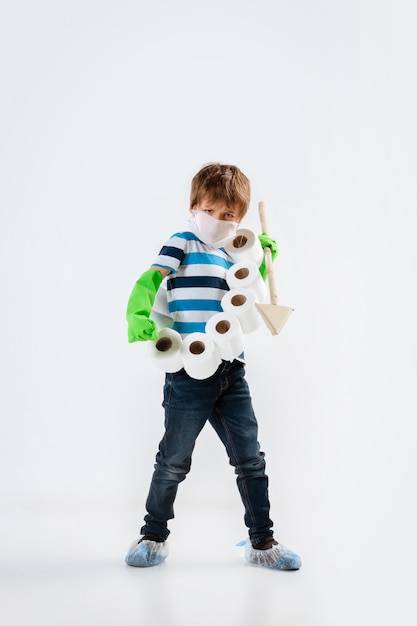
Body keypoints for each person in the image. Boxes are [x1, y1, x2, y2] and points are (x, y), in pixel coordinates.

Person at [124, 163, 301, 571]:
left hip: (230, 370)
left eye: (229, 216)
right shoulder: (181, 241)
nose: (218, 222)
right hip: (187, 369)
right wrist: (138, 310)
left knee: (250, 460)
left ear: (239, 220)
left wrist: (260, 260)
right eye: (210, 210)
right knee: (173, 461)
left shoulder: (233, 251)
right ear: (194, 207)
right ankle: (152, 536)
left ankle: (262, 543)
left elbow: (245, 295)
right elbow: (153, 277)